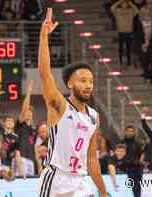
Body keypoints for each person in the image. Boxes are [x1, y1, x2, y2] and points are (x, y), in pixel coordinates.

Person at [37, 8, 107, 197]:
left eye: (91, 81)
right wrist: (44, 37)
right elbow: (45, 75)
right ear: (70, 83)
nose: (88, 85)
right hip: (56, 180)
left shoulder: (94, 116)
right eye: (83, 80)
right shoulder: (60, 105)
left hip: (80, 182)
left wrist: (104, 192)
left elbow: (92, 159)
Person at [111, 0, 139, 66]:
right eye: (123, 4)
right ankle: (120, 61)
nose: (124, 5)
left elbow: (137, 11)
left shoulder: (130, 10)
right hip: (121, 32)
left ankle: (128, 62)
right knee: (120, 48)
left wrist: (130, 3)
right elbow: (112, 8)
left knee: (128, 48)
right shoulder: (118, 10)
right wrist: (120, 1)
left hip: (128, 32)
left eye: (125, 3)